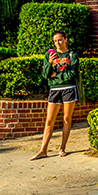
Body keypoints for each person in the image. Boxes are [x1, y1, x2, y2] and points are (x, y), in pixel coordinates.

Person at [32, 31, 80, 160]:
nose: (57, 43)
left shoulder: (72, 55)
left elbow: (71, 75)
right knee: (49, 121)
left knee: (66, 119)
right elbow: (45, 74)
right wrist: (49, 63)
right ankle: (43, 150)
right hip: (54, 90)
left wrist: (56, 76)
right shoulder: (50, 54)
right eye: (55, 41)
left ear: (65, 39)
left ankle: (62, 148)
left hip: (69, 89)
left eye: (60, 40)